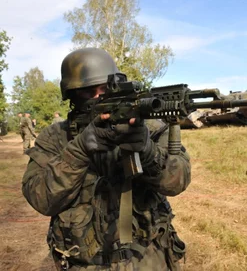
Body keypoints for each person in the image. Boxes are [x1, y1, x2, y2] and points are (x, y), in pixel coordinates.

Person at [22, 47, 191, 271]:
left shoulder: (149, 129)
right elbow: (41, 198)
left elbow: (177, 181)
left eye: (105, 89)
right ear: (71, 95)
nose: (99, 97)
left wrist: (148, 151)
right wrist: (79, 151)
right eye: (88, 91)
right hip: (85, 263)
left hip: (149, 259)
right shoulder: (56, 137)